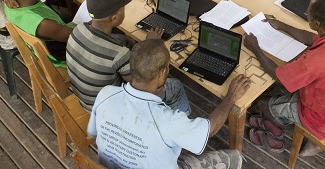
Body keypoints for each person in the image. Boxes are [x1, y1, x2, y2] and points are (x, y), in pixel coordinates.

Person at [88, 39, 250, 169]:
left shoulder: (106, 94)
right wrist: (231, 97)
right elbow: (211, 129)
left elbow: (93, 132)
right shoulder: (168, 121)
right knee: (234, 157)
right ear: (163, 71)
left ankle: (182, 138)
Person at [244, 0, 325, 156]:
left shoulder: (315, 60)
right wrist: (282, 25)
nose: (307, 16)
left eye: (308, 15)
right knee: (284, 91)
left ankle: (309, 137)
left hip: (323, 121)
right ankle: (306, 131)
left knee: (261, 102)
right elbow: (312, 39)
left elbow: (279, 76)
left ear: (317, 23)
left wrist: (255, 48)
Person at [66, 0, 190, 113]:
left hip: (86, 99)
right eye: (123, 9)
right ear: (114, 17)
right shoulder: (118, 53)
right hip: (107, 110)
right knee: (175, 85)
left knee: (122, 38)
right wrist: (151, 43)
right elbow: (142, 84)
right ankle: (178, 124)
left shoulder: (77, 30)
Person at [4, 0, 73, 67]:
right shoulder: (43, 23)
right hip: (63, 58)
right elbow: (74, 36)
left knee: (67, 15)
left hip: (52, 39)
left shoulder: (9, 4)